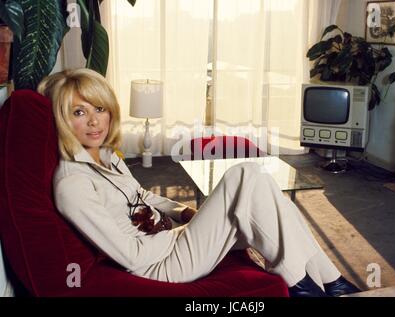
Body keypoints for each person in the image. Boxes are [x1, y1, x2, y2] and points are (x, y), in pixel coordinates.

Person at [37, 68, 360, 297]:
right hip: (160, 266)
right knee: (245, 175)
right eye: (79, 112)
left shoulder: (106, 155)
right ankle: (304, 285)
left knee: (265, 193)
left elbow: (140, 194)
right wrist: (181, 232)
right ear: (62, 119)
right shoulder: (73, 184)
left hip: (169, 241)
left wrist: (184, 213)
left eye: (99, 108)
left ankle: (331, 284)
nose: (94, 121)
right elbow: (132, 257)